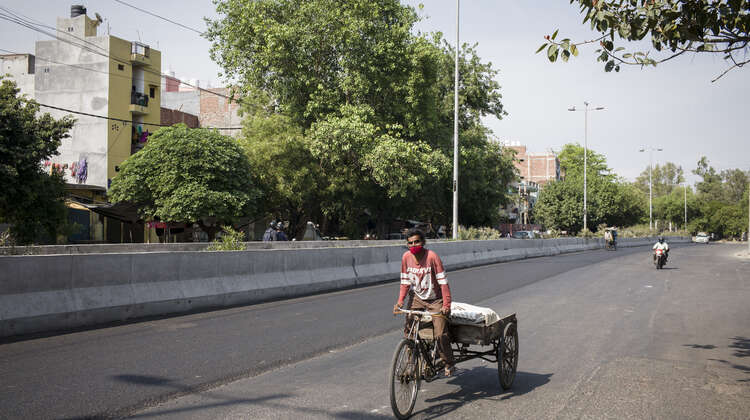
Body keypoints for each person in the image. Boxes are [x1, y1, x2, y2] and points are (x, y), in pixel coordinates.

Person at [393, 228, 455, 376]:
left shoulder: (432, 257)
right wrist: (400, 302)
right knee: (409, 333)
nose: (413, 245)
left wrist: (446, 305)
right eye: (410, 243)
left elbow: (443, 283)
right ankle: (411, 364)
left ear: (423, 242)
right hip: (416, 298)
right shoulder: (406, 258)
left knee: (440, 334)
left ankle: (449, 362)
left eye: (417, 242)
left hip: (435, 299)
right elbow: (405, 283)